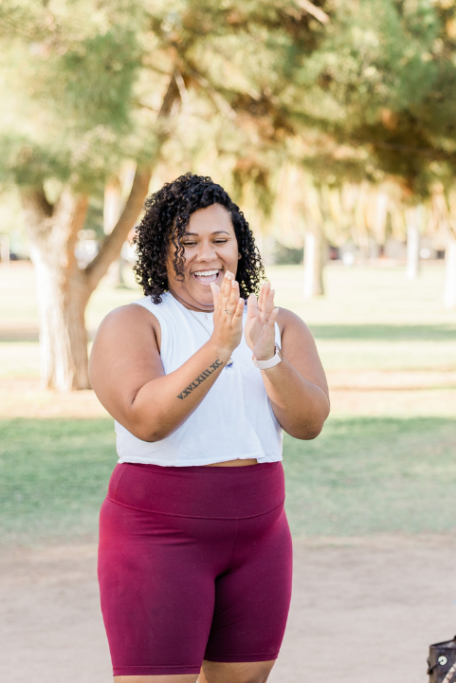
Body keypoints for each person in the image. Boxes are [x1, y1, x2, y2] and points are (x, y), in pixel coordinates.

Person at [89, 174, 330, 683]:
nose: (207, 255)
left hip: (261, 534)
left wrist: (266, 357)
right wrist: (220, 348)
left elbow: (309, 423)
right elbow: (147, 420)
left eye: (220, 240)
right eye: (188, 242)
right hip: (159, 536)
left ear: (239, 248)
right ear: (161, 250)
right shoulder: (133, 322)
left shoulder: (276, 323)